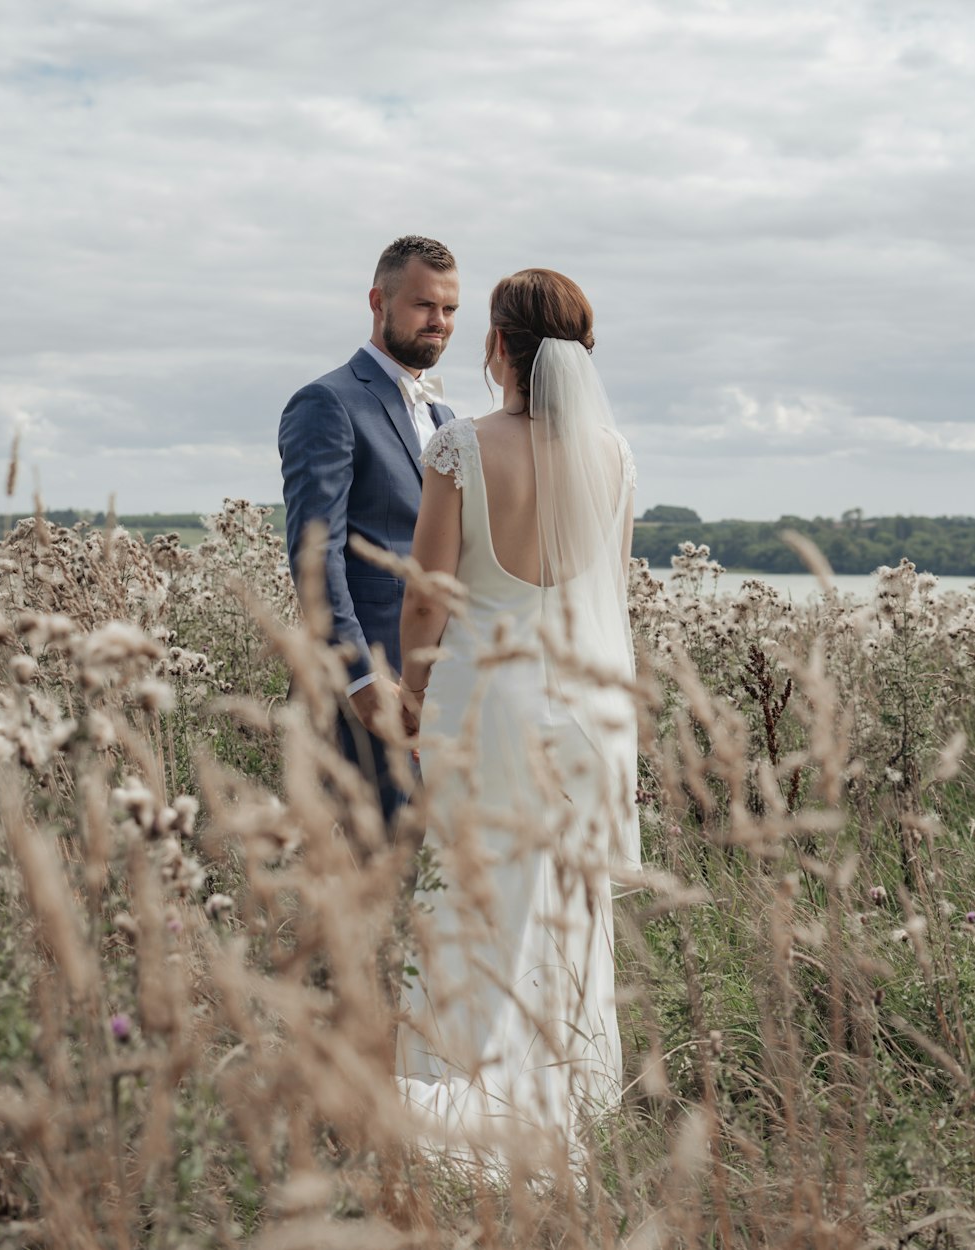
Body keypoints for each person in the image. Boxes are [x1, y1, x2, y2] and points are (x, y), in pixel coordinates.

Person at [394, 269, 640, 1168]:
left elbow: (426, 601)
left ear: (500, 344)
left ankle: (462, 1092)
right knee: (560, 897)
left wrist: (412, 696)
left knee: (472, 888)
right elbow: (607, 596)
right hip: (579, 710)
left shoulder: (461, 444)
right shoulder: (613, 457)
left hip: (481, 703)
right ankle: (559, 1085)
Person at [278, 236, 459, 830]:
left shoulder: (445, 418)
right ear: (379, 301)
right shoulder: (327, 403)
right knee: (380, 873)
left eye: (451, 310)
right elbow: (314, 555)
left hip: (450, 688)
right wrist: (358, 677)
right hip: (374, 687)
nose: (439, 322)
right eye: (423, 306)